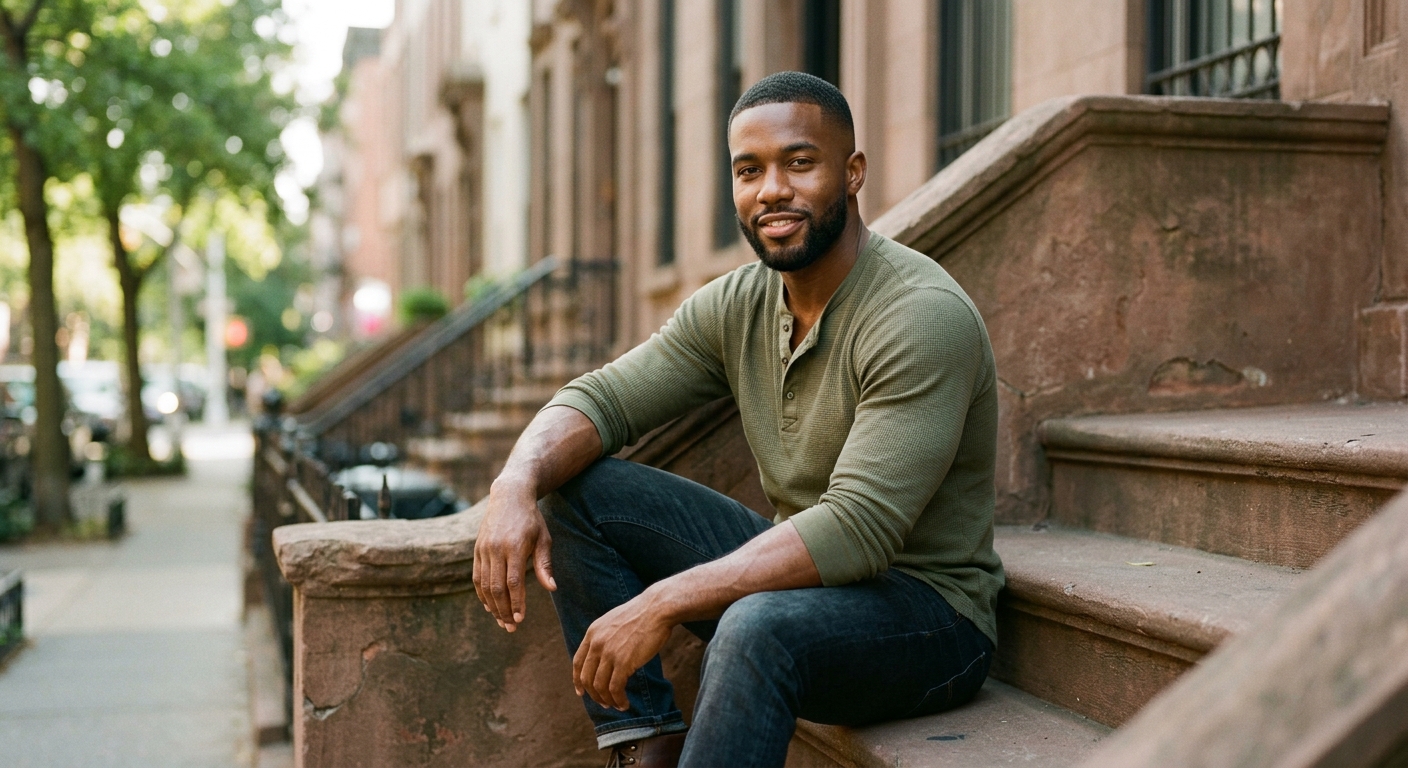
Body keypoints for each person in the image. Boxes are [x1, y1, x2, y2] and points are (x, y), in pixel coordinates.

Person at [473, 71, 1004, 768]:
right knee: (576, 491)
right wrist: (513, 482)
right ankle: (647, 747)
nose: (771, 190)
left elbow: (858, 529)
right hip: (808, 582)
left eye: (799, 163)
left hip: (930, 618)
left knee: (757, 627)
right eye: (749, 170)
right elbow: (604, 399)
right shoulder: (739, 303)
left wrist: (662, 601)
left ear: (852, 173)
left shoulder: (920, 314)